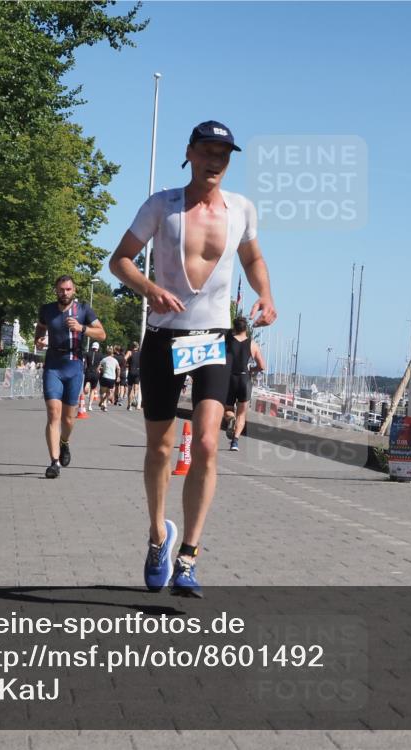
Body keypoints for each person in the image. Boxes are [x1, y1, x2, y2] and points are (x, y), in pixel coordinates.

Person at [108, 120, 276, 597]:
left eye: (223, 154)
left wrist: (266, 294)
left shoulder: (241, 209)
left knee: (205, 443)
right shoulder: (162, 205)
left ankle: (188, 557)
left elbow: (253, 259)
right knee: (160, 449)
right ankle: (157, 536)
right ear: (190, 153)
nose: (215, 161)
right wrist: (149, 289)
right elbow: (119, 260)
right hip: (164, 337)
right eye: (207, 151)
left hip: (212, 340)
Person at [34, 275, 106, 478]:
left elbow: (102, 334)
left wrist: (82, 328)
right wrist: (38, 339)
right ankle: (54, 462)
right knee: (53, 413)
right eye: (61, 289)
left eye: (68, 289)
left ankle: (64, 442)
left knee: (68, 418)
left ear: (74, 290)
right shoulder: (47, 310)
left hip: (74, 366)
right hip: (53, 366)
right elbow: (41, 327)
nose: (64, 293)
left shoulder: (83, 310)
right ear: (55, 290)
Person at [224, 316, 265, 451]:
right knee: (241, 414)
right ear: (246, 328)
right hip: (244, 379)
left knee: (228, 409)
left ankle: (230, 419)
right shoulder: (252, 344)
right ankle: (235, 442)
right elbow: (262, 366)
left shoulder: (228, 341)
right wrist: (252, 369)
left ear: (235, 328)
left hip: (230, 378)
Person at [82, 342, 105, 412]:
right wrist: (100, 369)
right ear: (98, 348)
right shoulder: (101, 355)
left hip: (88, 371)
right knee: (93, 389)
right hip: (96, 373)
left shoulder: (87, 353)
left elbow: (84, 362)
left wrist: (83, 369)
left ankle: (86, 386)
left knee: (86, 389)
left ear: (92, 347)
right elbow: (102, 364)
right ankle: (90, 405)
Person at [125, 342, 142, 410]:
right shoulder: (140, 353)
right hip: (138, 372)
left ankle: (129, 405)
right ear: (137, 347)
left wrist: (127, 363)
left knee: (130, 389)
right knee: (136, 388)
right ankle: (134, 397)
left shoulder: (130, 352)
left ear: (132, 347)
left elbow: (125, 358)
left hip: (131, 371)